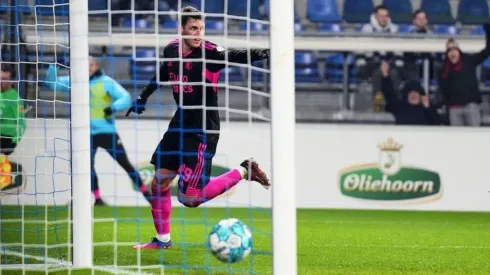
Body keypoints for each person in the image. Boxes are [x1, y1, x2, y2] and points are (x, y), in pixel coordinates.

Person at [126, 6, 271, 249]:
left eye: (201, 28)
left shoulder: (209, 54)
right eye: (193, 28)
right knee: (159, 181)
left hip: (202, 129)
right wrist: (143, 97)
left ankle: (245, 170)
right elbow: (163, 73)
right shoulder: (172, 50)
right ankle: (163, 240)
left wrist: (266, 52)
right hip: (180, 123)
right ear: (181, 29)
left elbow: (236, 54)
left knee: (189, 199)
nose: (198, 33)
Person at [45, 57, 152, 205]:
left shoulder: (106, 82)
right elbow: (51, 84)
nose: (89, 67)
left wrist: (113, 107)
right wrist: (54, 65)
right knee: (87, 166)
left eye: (92, 65)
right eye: (86, 64)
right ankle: (97, 197)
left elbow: (126, 98)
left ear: (97, 66)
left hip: (107, 131)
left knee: (125, 163)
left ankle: (147, 195)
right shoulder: (74, 81)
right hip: (85, 133)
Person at [438, 23, 490, 126]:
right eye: (449, 50)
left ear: (459, 50)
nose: (452, 52)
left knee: (474, 137)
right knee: (457, 139)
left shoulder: (469, 61)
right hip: (454, 109)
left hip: (471, 106)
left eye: (454, 49)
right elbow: (443, 90)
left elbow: (487, 51)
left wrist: (488, 31)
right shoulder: (443, 69)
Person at [380, 61, 440, 125]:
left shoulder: (427, 108)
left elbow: (436, 123)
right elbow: (389, 94)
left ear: (421, 96)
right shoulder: (400, 107)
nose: (413, 95)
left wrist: (427, 107)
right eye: (411, 93)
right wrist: (385, 74)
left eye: (416, 93)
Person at [0, 64, 26, 191]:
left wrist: (14, 141)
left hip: (6, 138)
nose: (1, 81)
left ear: (11, 81)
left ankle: (7, 180)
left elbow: (21, 123)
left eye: (4, 79)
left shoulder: (15, 98)